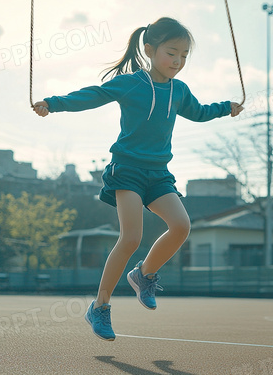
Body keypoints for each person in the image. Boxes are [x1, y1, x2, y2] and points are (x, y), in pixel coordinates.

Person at [33, 17, 243, 341]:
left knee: (182, 226)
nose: (178, 61)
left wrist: (225, 107)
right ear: (149, 49)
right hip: (127, 170)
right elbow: (94, 94)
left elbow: (199, 111)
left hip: (159, 174)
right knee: (131, 237)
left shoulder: (179, 90)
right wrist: (53, 103)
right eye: (172, 53)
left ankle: (144, 274)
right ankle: (100, 307)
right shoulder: (132, 83)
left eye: (184, 56)